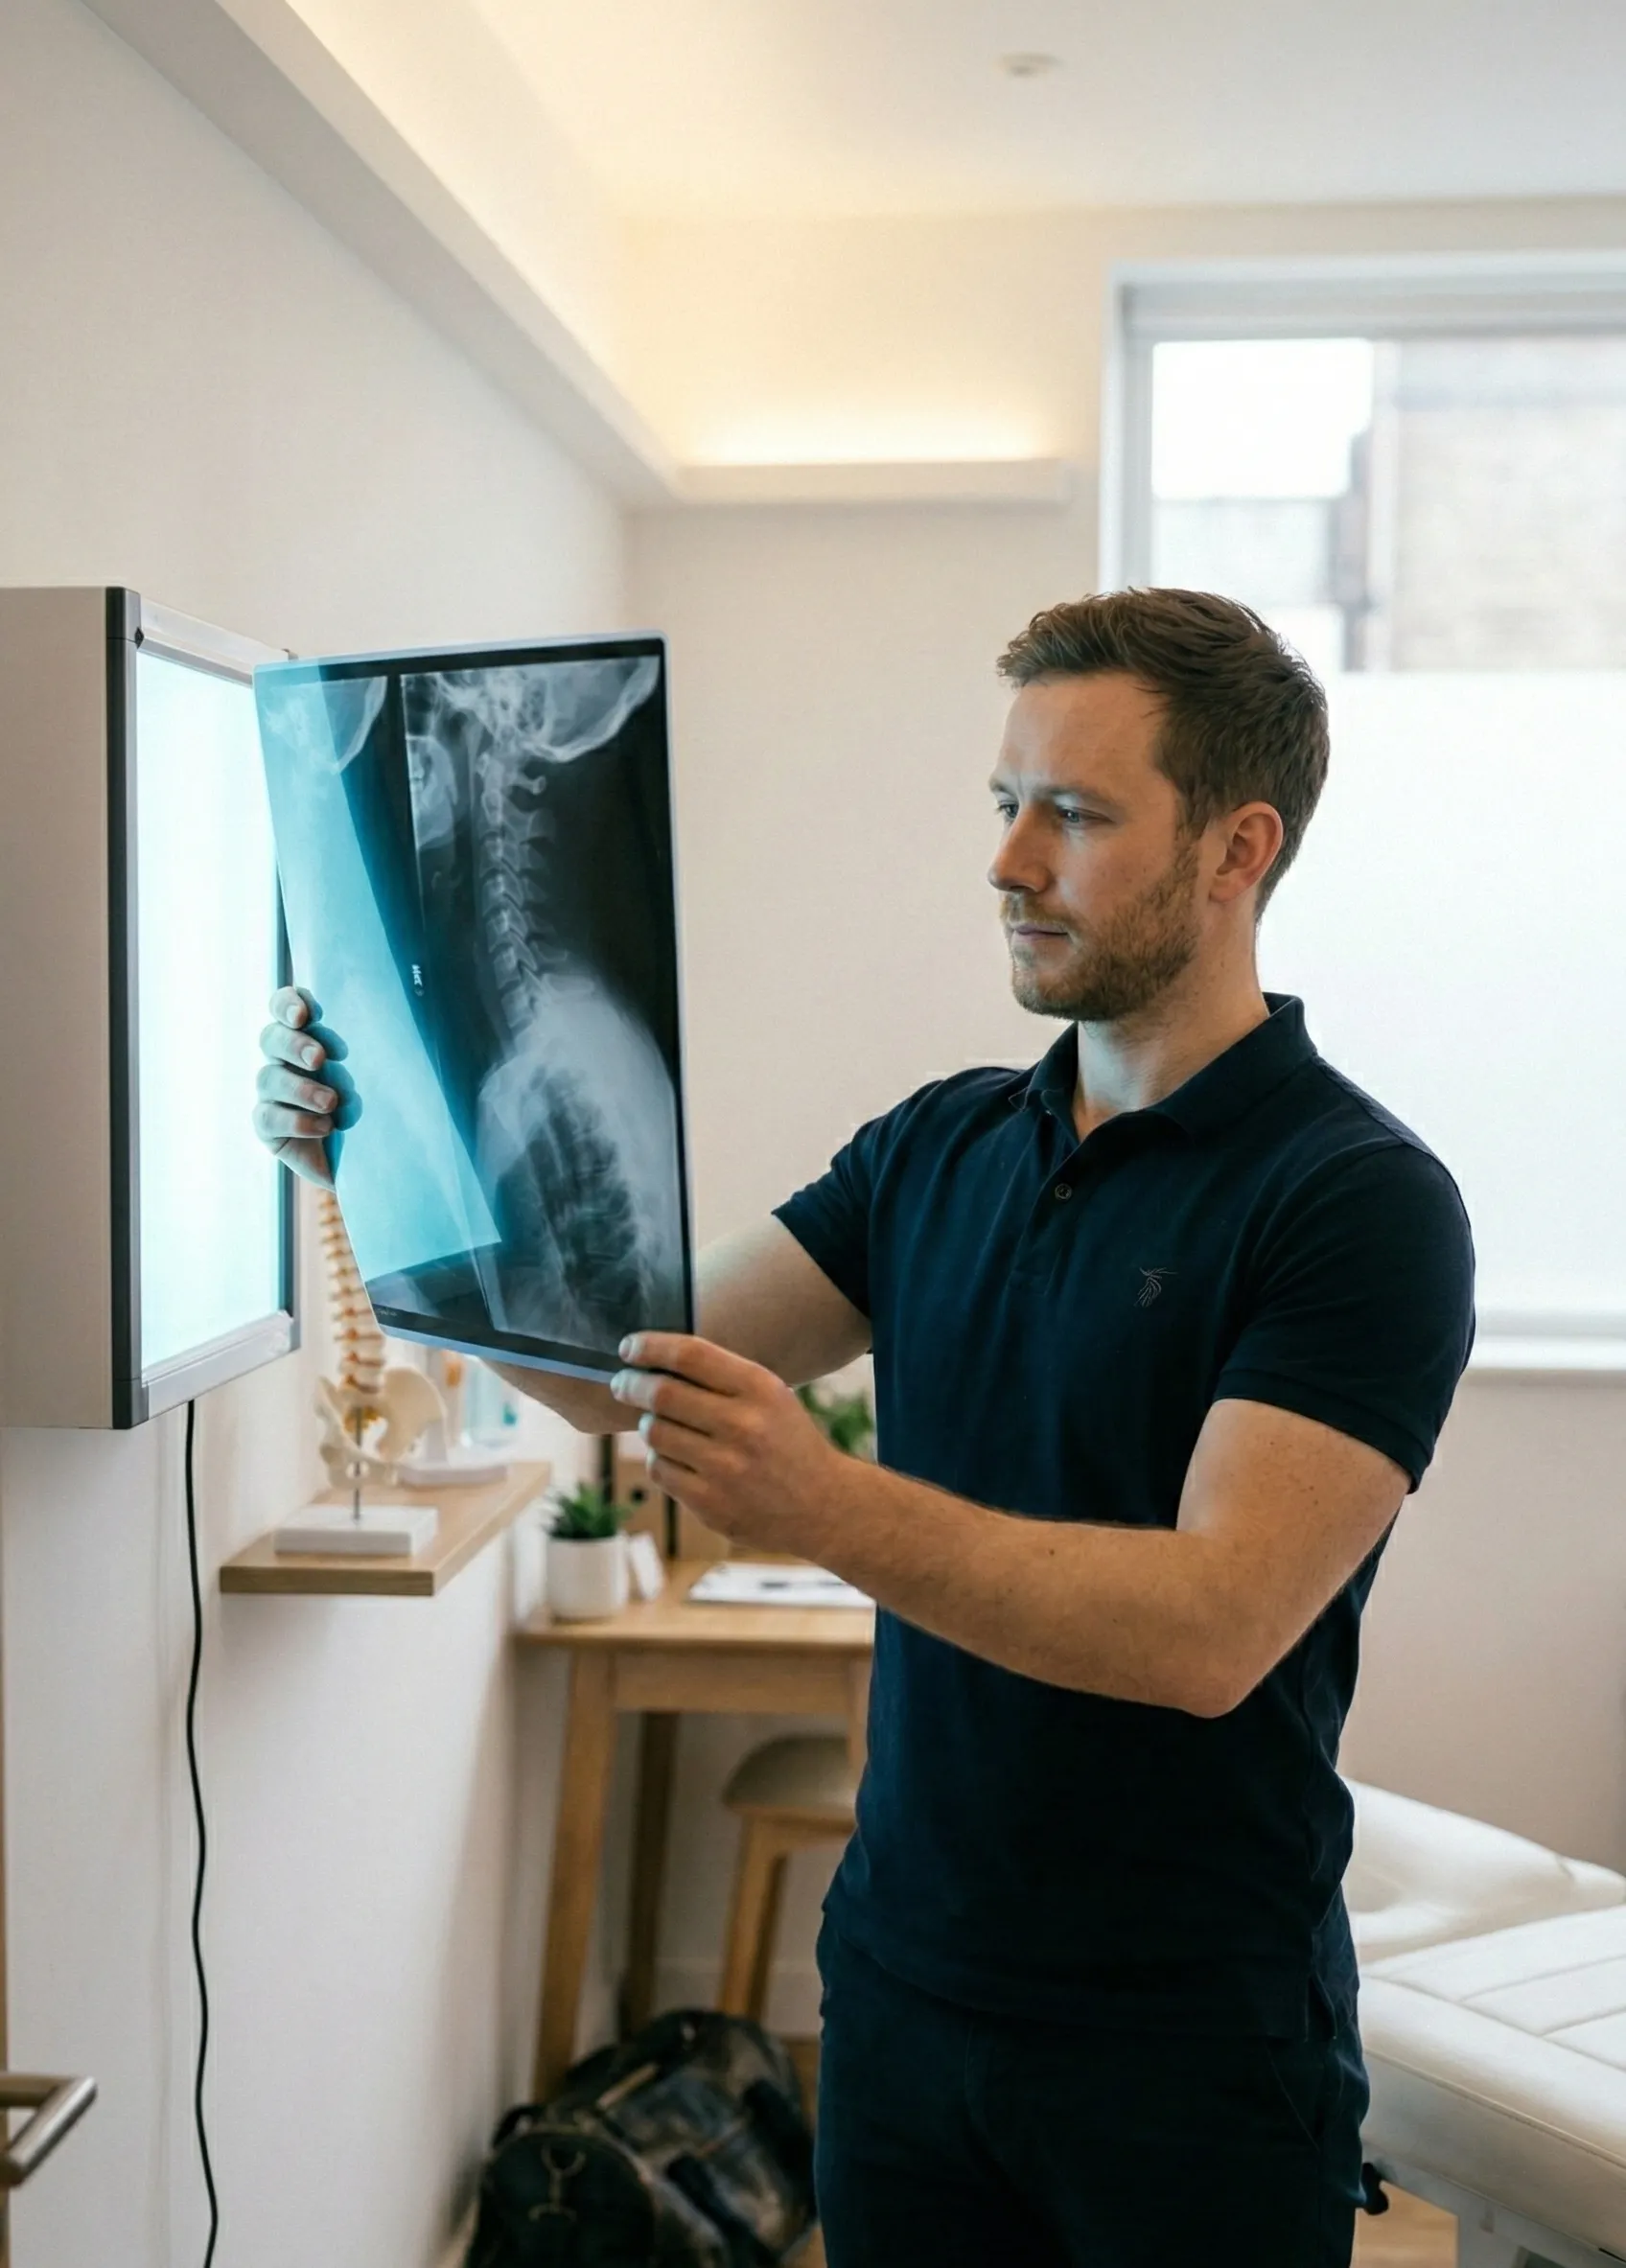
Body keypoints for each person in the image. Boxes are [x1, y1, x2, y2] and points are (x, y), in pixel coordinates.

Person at [256, 589, 1475, 2267]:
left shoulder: (1359, 1203)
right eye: (1004, 805)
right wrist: (363, 1164)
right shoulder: (939, 1146)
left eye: (1077, 814)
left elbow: (1211, 1628)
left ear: (1236, 847)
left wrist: (824, 1504)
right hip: (903, 2000)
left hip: (1187, 2051)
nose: (1009, 862)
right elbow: (627, 1370)